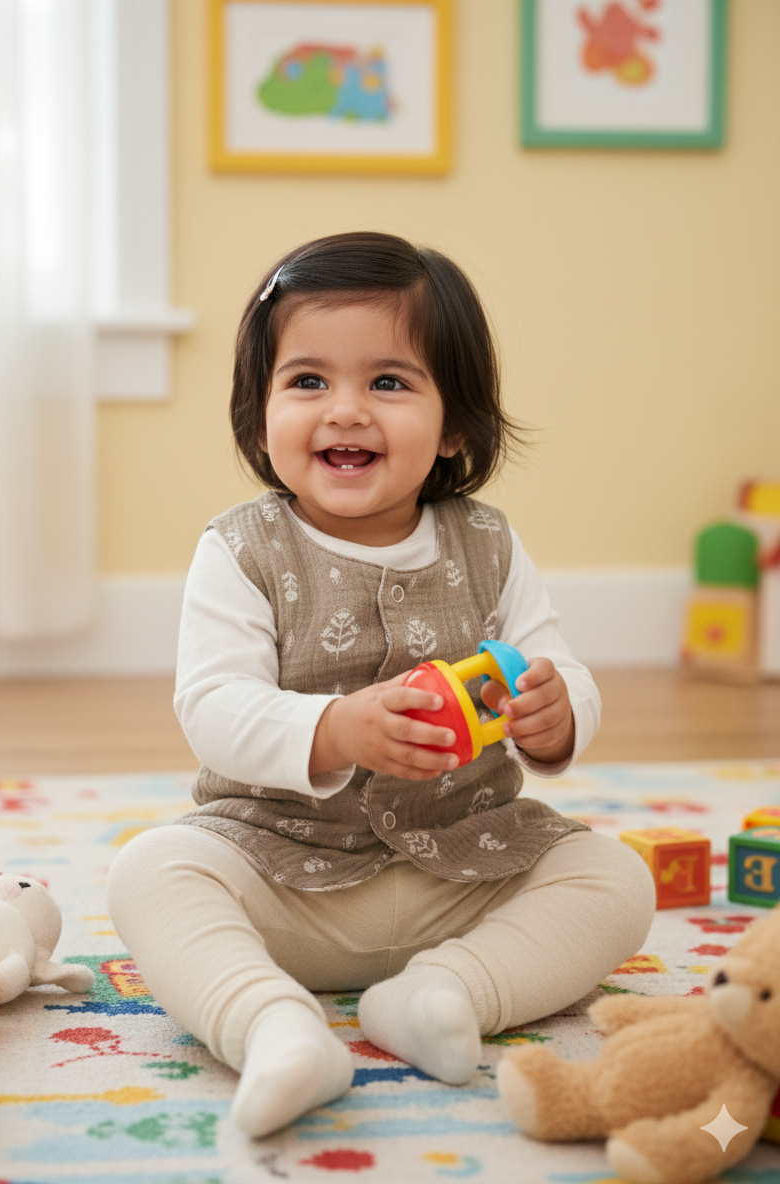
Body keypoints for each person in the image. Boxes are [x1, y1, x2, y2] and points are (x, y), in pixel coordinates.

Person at [106, 231, 655, 1139]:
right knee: (149, 872)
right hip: (286, 872)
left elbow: (556, 666)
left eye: (389, 382)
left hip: (467, 866)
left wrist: (559, 715)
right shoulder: (241, 550)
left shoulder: (489, 544)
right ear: (259, 415)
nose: (346, 411)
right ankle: (276, 1027)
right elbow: (214, 710)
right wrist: (336, 729)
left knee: (616, 880)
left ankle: (445, 994)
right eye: (308, 381)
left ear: (457, 426)